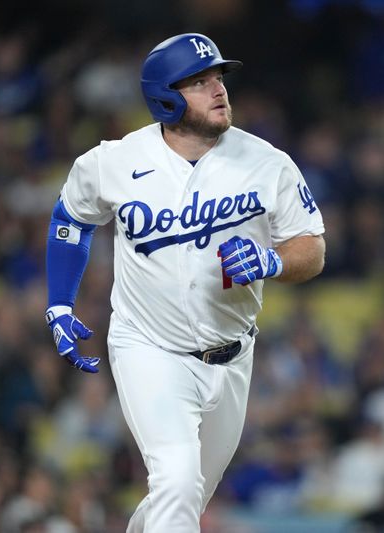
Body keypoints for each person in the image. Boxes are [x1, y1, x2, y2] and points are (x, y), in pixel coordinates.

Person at [44, 33, 325, 532]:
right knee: (175, 481)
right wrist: (61, 305)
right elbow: (71, 218)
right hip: (148, 347)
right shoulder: (115, 161)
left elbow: (312, 247)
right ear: (165, 97)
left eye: (218, 77)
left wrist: (273, 261)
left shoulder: (266, 163)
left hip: (233, 355)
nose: (218, 89)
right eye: (199, 82)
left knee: (180, 501)